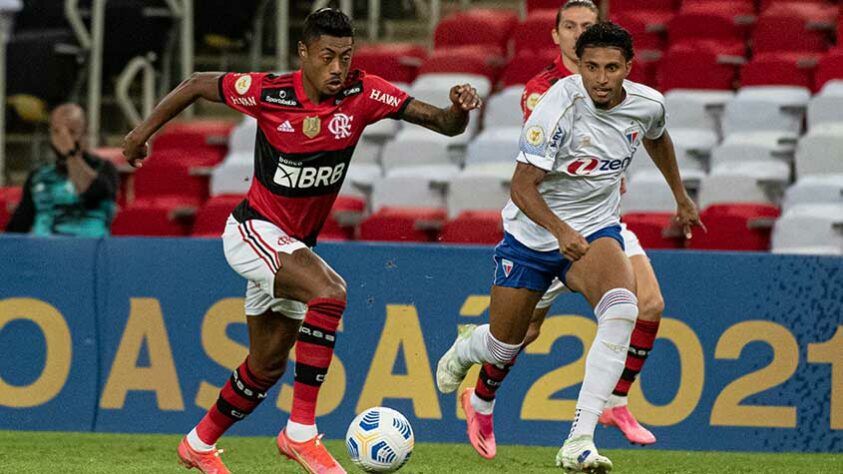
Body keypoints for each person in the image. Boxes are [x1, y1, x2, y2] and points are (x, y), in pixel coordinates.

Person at [122, 8, 482, 474]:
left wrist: (458, 109)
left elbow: (444, 125)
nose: (337, 68)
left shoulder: (364, 92)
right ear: (304, 53)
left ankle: (198, 443)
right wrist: (137, 135)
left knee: (266, 366)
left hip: (291, 246)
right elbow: (194, 83)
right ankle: (301, 433)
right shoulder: (269, 92)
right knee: (330, 292)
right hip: (253, 231)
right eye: (328, 57)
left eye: (346, 57)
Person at [435, 22, 702, 472]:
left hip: (596, 229)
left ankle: (579, 439)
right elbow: (521, 187)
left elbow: (657, 137)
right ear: (579, 66)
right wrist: (559, 232)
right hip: (532, 237)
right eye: (591, 67)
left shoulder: (647, 104)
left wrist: (680, 195)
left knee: (623, 308)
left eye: (611, 68)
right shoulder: (557, 108)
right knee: (504, 347)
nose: (600, 78)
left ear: (628, 69)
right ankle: (467, 350)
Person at [5, 103, 118, 236]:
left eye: (71, 132)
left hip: (89, 251)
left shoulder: (104, 168)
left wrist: (70, 153)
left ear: (84, 134)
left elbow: (92, 194)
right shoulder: (38, 176)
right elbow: (19, 226)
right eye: (56, 132)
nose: (63, 139)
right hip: (44, 252)